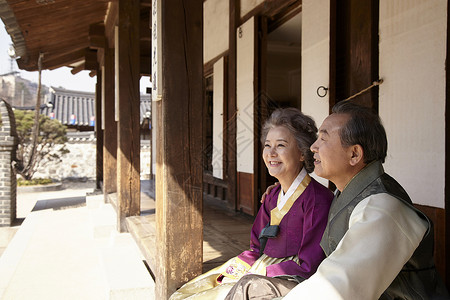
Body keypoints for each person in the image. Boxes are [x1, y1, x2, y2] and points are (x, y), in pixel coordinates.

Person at [226, 101, 450, 300]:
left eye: (323, 138)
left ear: (354, 154)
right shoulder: (346, 194)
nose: (313, 146)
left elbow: (338, 289)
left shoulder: (382, 208)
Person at [169, 108, 334, 299]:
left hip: (287, 278)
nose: (271, 153)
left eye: (281, 145)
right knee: (190, 291)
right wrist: (235, 270)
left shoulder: (318, 200)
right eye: (267, 145)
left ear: (302, 154)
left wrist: (259, 273)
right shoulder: (272, 196)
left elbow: (309, 264)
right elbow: (257, 247)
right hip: (261, 265)